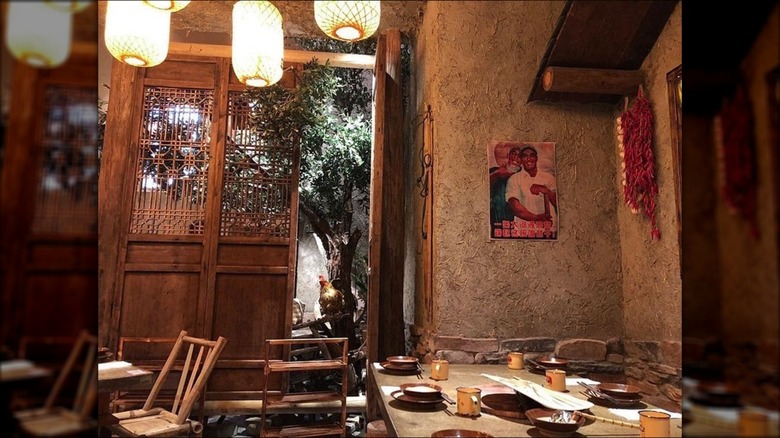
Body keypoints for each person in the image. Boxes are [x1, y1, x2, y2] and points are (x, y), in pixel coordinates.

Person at [505, 144, 558, 239]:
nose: (528, 159)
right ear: (521, 159)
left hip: (549, 231)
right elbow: (514, 206)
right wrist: (536, 218)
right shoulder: (514, 179)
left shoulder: (549, 178)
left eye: (532, 155)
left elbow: (558, 205)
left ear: (536, 158)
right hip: (524, 231)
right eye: (524, 156)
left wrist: (547, 191)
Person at [489, 146, 522, 228]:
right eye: (513, 153)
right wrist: (496, 174)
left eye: (519, 155)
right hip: (496, 216)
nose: (516, 157)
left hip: (516, 219)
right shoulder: (494, 170)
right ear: (508, 155)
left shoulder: (524, 174)